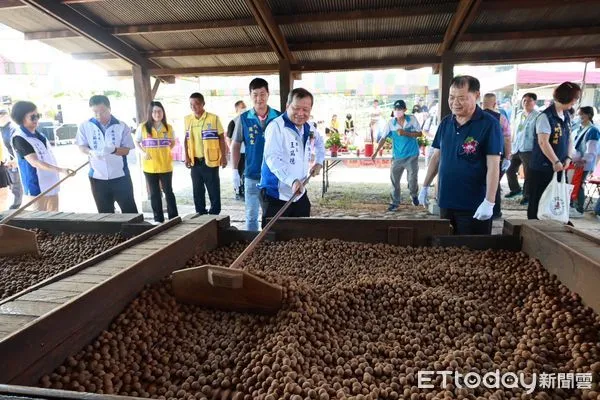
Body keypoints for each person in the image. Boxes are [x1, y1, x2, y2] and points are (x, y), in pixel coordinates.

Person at [418, 76, 503, 235]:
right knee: (447, 251)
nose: (455, 102)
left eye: (462, 98)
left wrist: (489, 202)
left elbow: (493, 165)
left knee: (473, 254)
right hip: (446, 201)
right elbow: (436, 157)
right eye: (451, 97)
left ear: (476, 95)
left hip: (474, 205)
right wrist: (424, 186)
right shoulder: (446, 123)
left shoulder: (489, 124)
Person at [258, 88, 325, 227]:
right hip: (275, 195)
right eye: (296, 108)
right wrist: (291, 181)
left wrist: (318, 162)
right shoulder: (276, 127)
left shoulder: (309, 127)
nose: (301, 114)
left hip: (299, 194)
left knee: (301, 236)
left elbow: (320, 144)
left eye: (305, 109)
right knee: (273, 241)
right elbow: (272, 158)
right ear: (287, 106)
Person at [527, 82, 580, 220]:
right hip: (542, 167)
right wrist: (555, 161)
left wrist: (568, 157)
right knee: (538, 200)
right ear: (566, 97)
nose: (575, 102)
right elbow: (543, 142)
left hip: (560, 166)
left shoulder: (567, 115)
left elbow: (569, 139)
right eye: (574, 99)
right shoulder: (545, 116)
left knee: (555, 200)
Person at [231, 78, 279, 231]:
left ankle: (270, 246)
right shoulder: (243, 119)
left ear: (268, 94)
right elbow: (236, 144)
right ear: (250, 96)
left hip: (274, 174)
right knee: (251, 215)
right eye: (255, 95)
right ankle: (251, 247)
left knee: (272, 214)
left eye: (262, 94)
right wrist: (234, 170)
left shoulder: (278, 117)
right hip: (251, 173)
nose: (259, 99)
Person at [77, 95, 137, 214]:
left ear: (109, 108)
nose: (99, 116)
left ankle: (136, 233)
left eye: (103, 111)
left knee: (130, 210)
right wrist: (90, 152)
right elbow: (81, 146)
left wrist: (114, 150)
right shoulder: (85, 126)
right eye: (95, 112)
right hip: (97, 177)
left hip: (120, 176)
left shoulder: (121, 125)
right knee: (105, 213)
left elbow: (127, 149)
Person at [11, 101, 74, 211]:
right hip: (36, 188)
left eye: (38, 116)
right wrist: (61, 170)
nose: (36, 119)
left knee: (53, 219)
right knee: (38, 224)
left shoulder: (41, 136)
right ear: (22, 118)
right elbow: (34, 162)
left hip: (52, 184)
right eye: (33, 117)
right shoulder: (19, 138)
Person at [372, 100, 421, 211]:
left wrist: (406, 133)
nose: (397, 111)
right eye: (395, 109)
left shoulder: (412, 119)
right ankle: (395, 202)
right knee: (395, 180)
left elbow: (420, 133)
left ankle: (413, 194)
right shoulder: (391, 123)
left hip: (412, 155)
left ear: (404, 110)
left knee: (412, 179)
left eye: (400, 109)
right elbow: (383, 138)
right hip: (397, 156)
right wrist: (375, 152)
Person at [184, 92, 227, 215]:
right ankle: (200, 213)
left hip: (210, 161)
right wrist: (186, 157)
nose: (194, 107)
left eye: (197, 104)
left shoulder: (213, 118)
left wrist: (223, 157)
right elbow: (185, 139)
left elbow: (221, 138)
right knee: (197, 190)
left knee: (213, 189)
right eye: (191, 104)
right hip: (195, 161)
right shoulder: (187, 120)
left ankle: (214, 213)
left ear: (203, 104)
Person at [135, 101, 178, 223]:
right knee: (154, 193)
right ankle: (158, 219)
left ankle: (173, 217)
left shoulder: (168, 128)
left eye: (159, 111)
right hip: (150, 166)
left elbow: (173, 142)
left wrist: (166, 151)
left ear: (163, 112)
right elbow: (136, 142)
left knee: (168, 191)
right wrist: (143, 153)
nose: (157, 114)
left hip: (166, 165)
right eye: (154, 111)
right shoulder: (143, 127)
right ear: (150, 113)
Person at [505, 93, 540, 205]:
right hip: (517, 147)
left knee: (528, 174)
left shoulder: (538, 116)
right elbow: (515, 130)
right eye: (524, 100)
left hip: (529, 149)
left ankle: (527, 196)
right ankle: (515, 189)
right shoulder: (519, 114)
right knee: (509, 169)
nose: (526, 103)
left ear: (534, 102)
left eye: (529, 101)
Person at [481, 93, 512, 219]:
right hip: (496, 154)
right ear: (495, 104)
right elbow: (507, 139)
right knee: (494, 182)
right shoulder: (501, 118)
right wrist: (507, 157)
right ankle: (495, 210)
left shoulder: (476, 117)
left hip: (478, 154)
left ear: (482, 104)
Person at [570, 106, 599, 218]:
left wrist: (583, 161)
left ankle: (579, 209)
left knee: (580, 184)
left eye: (581, 114)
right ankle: (573, 206)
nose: (579, 117)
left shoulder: (593, 130)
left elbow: (591, 150)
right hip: (576, 162)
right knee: (574, 184)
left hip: (584, 164)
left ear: (588, 115)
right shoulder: (580, 128)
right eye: (578, 114)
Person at [0, 109, 22, 209]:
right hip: (4, 162)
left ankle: (15, 207)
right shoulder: (2, 129)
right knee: (10, 186)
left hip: (12, 161)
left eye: (2, 116)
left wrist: (15, 161)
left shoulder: (13, 129)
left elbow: (16, 147)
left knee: (15, 185)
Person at [226, 100, 246, 200]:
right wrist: (233, 150)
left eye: (245, 107)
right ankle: (238, 191)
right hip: (238, 153)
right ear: (236, 109)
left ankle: (245, 191)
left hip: (248, 153)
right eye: (241, 107)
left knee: (246, 174)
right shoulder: (233, 122)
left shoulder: (249, 119)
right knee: (238, 172)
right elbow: (228, 139)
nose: (244, 109)